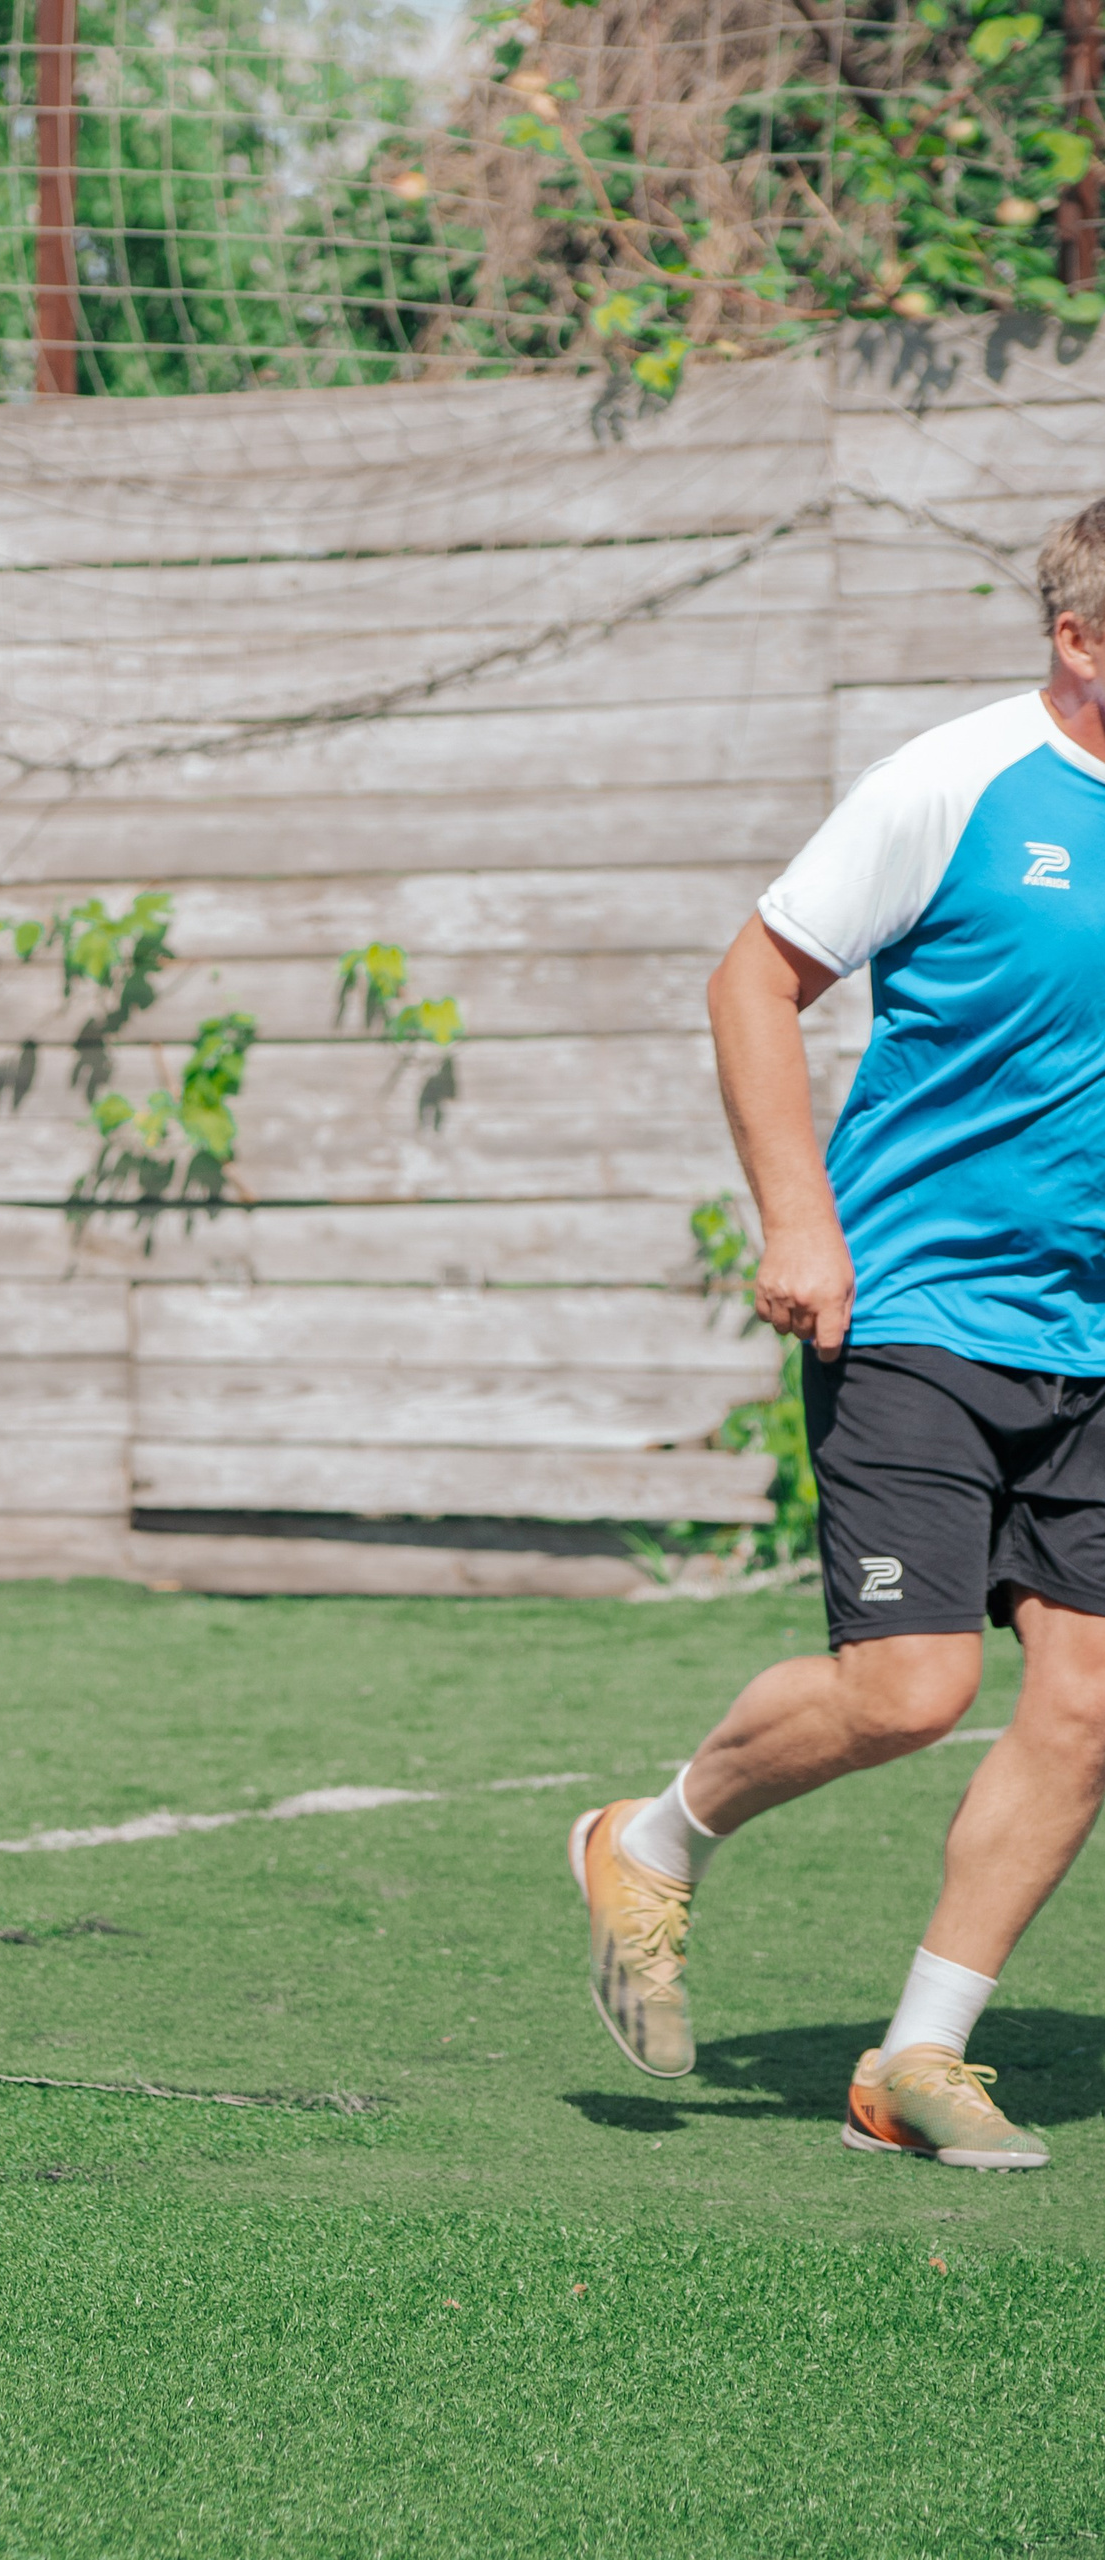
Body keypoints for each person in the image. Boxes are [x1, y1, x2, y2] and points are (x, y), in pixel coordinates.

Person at [574, 497, 1105, 2172]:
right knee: (911, 1693)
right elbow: (753, 979)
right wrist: (800, 1219)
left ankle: (918, 2060)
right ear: (1081, 643)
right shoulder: (956, 784)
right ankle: (649, 1840)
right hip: (922, 1307)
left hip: (1095, 1335)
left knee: (1089, 1707)